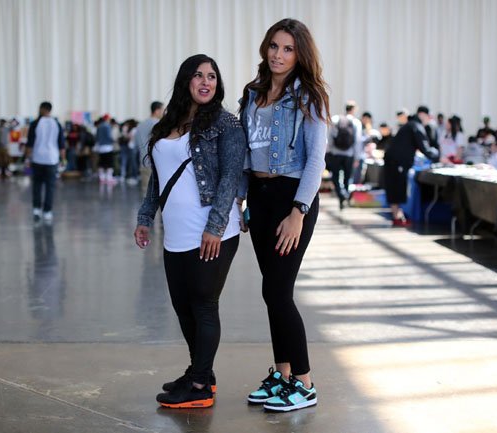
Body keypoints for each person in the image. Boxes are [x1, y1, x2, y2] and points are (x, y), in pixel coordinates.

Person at [134, 54, 245, 409]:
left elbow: (230, 176)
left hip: (213, 230)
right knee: (183, 307)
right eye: (198, 75)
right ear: (186, 80)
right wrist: (145, 216)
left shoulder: (225, 123)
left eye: (212, 76)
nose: (206, 82)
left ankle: (199, 385)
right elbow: (158, 179)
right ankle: (201, 372)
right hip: (175, 231)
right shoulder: (168, 122)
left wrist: (215, 226)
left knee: (203, 304)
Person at [238, 18, 328, 412]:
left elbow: (316, 160)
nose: (278, 54)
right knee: (271, 291)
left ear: (300, 54)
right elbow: (245, 152)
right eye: (274, 46)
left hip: (291, 198)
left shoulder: (309, 96)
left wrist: (298, 211)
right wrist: (242, 199)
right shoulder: (253, 92)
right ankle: (282, 375)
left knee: (278, 291)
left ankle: (304, 383)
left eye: (288, 49)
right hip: (259, 197)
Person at [384, 106, 439, 226]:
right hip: (397, 163)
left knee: (395, 189)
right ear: (422, 115)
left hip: (394, 162)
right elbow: (425, 148)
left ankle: (398, 216)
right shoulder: (416, 126)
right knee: (397, 188)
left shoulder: (410, 125)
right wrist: (438, 155)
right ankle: (397, 217)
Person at [25, 101, 65, 222]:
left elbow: (30, 144)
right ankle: (47, 211)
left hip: (38, 159)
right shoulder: (57, 124)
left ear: (42, 109)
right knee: (50, 186)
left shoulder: (35, 123)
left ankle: (37, 209)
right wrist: (63, 159)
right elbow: (61, 145)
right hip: (52, 159)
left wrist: (27, 158)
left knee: (37, 185)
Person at [329, 100, 362, 209]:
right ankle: (345, 196)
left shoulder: (335, 119)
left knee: (335, 176)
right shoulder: (356, 122)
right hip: (349, 154)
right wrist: (357, 157)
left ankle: (341, 195)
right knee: (348, 177)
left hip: (335, 153)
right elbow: (357, 141)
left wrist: (329, 150)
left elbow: (330, 136)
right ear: (354, 110)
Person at [134, 101, 164, 192]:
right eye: (162, 110)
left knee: (146, 191)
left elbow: (136, 143)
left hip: (143, 160)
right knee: (157, 192)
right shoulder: (158, 124)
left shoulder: (140, 125)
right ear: (157, 111)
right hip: (156, 162)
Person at [95, 115, 116, 184]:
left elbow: (97, 137)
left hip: (100, 147)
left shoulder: (99, 126)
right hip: (108, 147)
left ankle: (102, 177)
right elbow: (109, 136)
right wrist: (114, 141)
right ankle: (109, 178)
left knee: (101, 162)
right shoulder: (107, 126)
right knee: (109, 163)